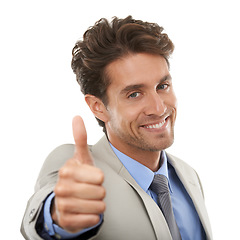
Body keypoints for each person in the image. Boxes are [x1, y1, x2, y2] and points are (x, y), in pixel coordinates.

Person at [21, 16, 212, 240]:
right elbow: (46, 214)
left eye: (162, 86)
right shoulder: (74, 164)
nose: (158, 108)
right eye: (134, 94)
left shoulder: (188, 176)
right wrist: (58, 216)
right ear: (98, 107)